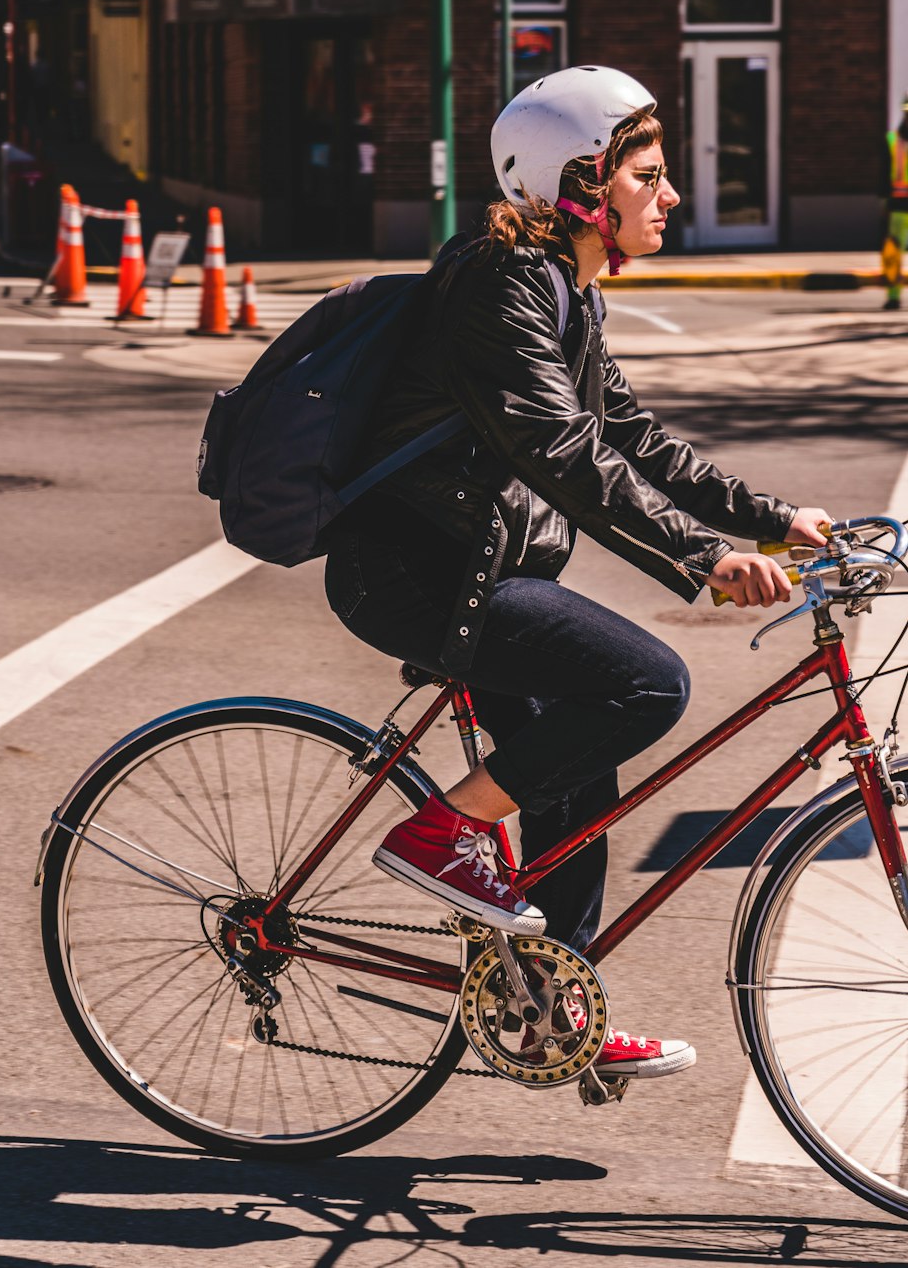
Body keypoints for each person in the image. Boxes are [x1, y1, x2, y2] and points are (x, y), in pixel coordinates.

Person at [323, 65, 830, 1080]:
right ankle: (442, 832)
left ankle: (562, 1016)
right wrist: (703, 557)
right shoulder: (498, 285)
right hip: (417, 576)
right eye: (648, 175)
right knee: (651, 683)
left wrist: (774, 523)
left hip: (478, 570)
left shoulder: (563, 289)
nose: (671, 196)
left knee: (575, 783)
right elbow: (559, 448)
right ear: (582, 183)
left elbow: (631, 437)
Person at [883, 97, 908, 310]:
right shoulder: (892, 140)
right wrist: (883, 201)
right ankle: (893, 295)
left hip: (899, 205)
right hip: (899, 206)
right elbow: (883, 175)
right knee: (893, 253)